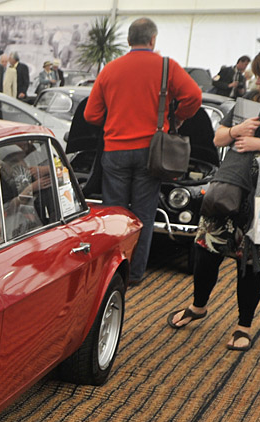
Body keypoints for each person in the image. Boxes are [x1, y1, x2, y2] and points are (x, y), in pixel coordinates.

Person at [83, 17, 202, 286]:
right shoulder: (166, 66)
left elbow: (91, 114)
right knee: (143, 216)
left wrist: (113, 119)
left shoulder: (110, 69)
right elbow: (194, 96)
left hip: (115, 151)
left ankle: (111, 274)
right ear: (153, 40)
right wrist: (179, 118)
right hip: (151, 152)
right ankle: (134, 275)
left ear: (128, 41)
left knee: (115, 215)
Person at [166, 48, 260, 351]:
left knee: (249, 262)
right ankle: (199, 306)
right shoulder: (249, 102)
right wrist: (236, 130)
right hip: (228, 188)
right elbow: (218, 137)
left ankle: (244, 325)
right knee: (206, 251)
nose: (258, 80)